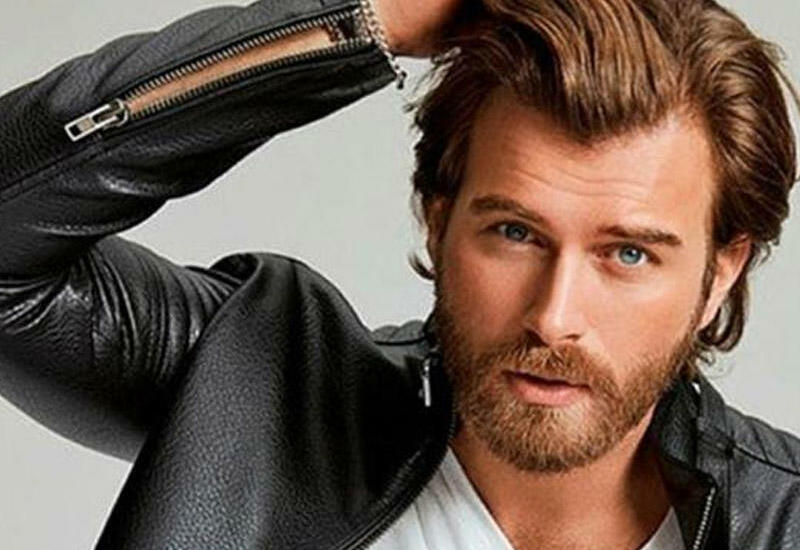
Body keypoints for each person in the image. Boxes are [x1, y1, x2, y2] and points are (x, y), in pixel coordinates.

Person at [0, 0, 798, 548]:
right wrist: (360, 24)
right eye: (514, 233)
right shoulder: (260, 391)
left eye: (628, 254)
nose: (555, 316)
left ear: (720, 275)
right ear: (439, 221)